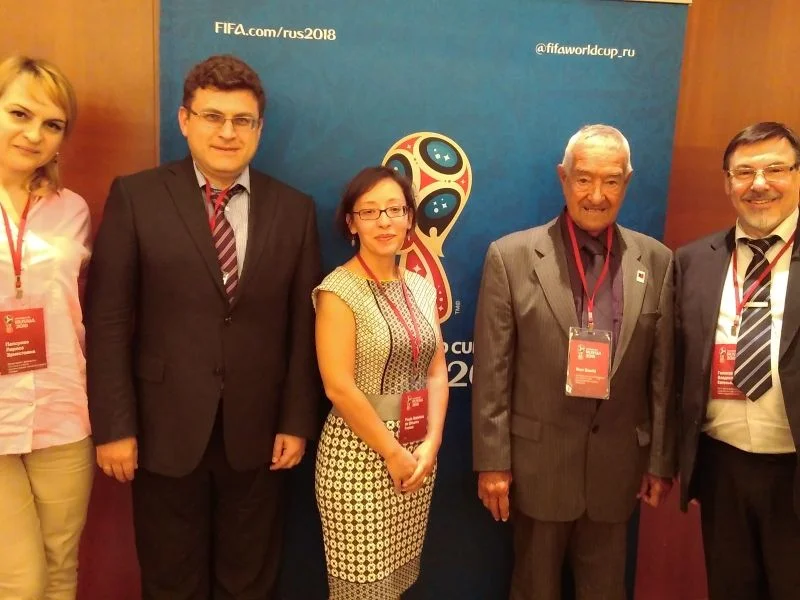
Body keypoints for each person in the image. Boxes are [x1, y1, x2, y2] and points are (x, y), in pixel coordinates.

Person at [85, 54, 322, 599]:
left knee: (250, 582)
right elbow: (109, 319)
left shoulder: (294, 209)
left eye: (242, 120)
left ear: (259, 128)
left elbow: (301, 327)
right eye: (213, 116)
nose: (227, 132)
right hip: (161, 430)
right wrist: (115, 426)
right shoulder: (136, 196)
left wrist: (295, 421)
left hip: (259, 435)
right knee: (171, 582)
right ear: (185, 119)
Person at [472, 124, 676, 599]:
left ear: (627, 182)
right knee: (534, 590)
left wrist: (659, 461)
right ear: (563, 178)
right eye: (584, 179)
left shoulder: (658, 260)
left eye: (611, 181)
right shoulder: (510, 257)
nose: (597, 195)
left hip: (617, 472)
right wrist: (493, 462)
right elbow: (493, 372)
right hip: (538, 466)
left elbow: (663, 375)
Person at [676, 121, 800, 600]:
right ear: (728, 183)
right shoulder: (693, 261)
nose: (759, 184)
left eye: (775, 169)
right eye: (744, 172)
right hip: (722, 468)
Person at [313, 165, 449, 599]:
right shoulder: (337, 290)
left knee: (396, 583)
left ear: (409, 217)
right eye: (369, 211)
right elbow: (338, 387)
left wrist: (432, 443)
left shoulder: (421, 287)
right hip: (358, 460)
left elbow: (437, 370)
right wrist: (392, 453)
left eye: (394, 209)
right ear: (351, 223)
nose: (384, 221)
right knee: (364, 591)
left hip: (417, 455)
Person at [0, 55, 93, 599]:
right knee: (20, 581)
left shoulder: (72, 209)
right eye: (19, 113)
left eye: (52, 124)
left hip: (61, 410)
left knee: (61, 569)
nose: (34, 134)